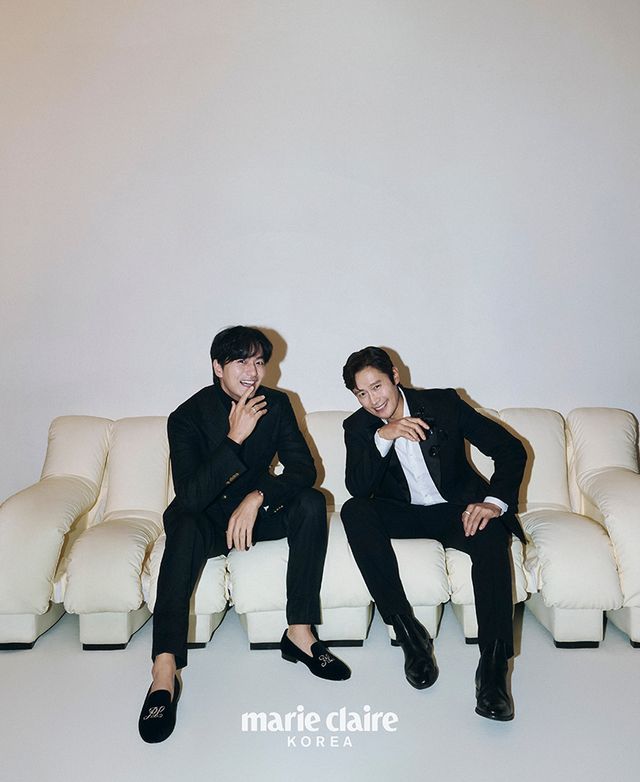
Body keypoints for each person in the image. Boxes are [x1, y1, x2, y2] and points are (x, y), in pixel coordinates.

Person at [139, 326, 350, 744]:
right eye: (241, 361)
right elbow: (191, 497)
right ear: (218, 367)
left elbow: (304, 470)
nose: (252, 372)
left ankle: (300, 634)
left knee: (310, 502)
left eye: (258, 362)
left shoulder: (277, 404)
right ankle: (164, 669)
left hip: (255, 515)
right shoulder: (186, 417)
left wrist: (258, 496)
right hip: (205, 520)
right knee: (183, 523)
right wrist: (234, 437)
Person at [340, 346, 526, 721]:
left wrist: (493, 503)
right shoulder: (359, 427)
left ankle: (492, 671)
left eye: (377, 386)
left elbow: (509, 449)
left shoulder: (443, 404)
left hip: (456, 511)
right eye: (362, 393)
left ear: (395, 376)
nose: (373, 400)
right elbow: (358, 488)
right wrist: (384, 437)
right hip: (404, 514)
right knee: (354, 510)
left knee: (490, 533)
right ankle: (410, 634)